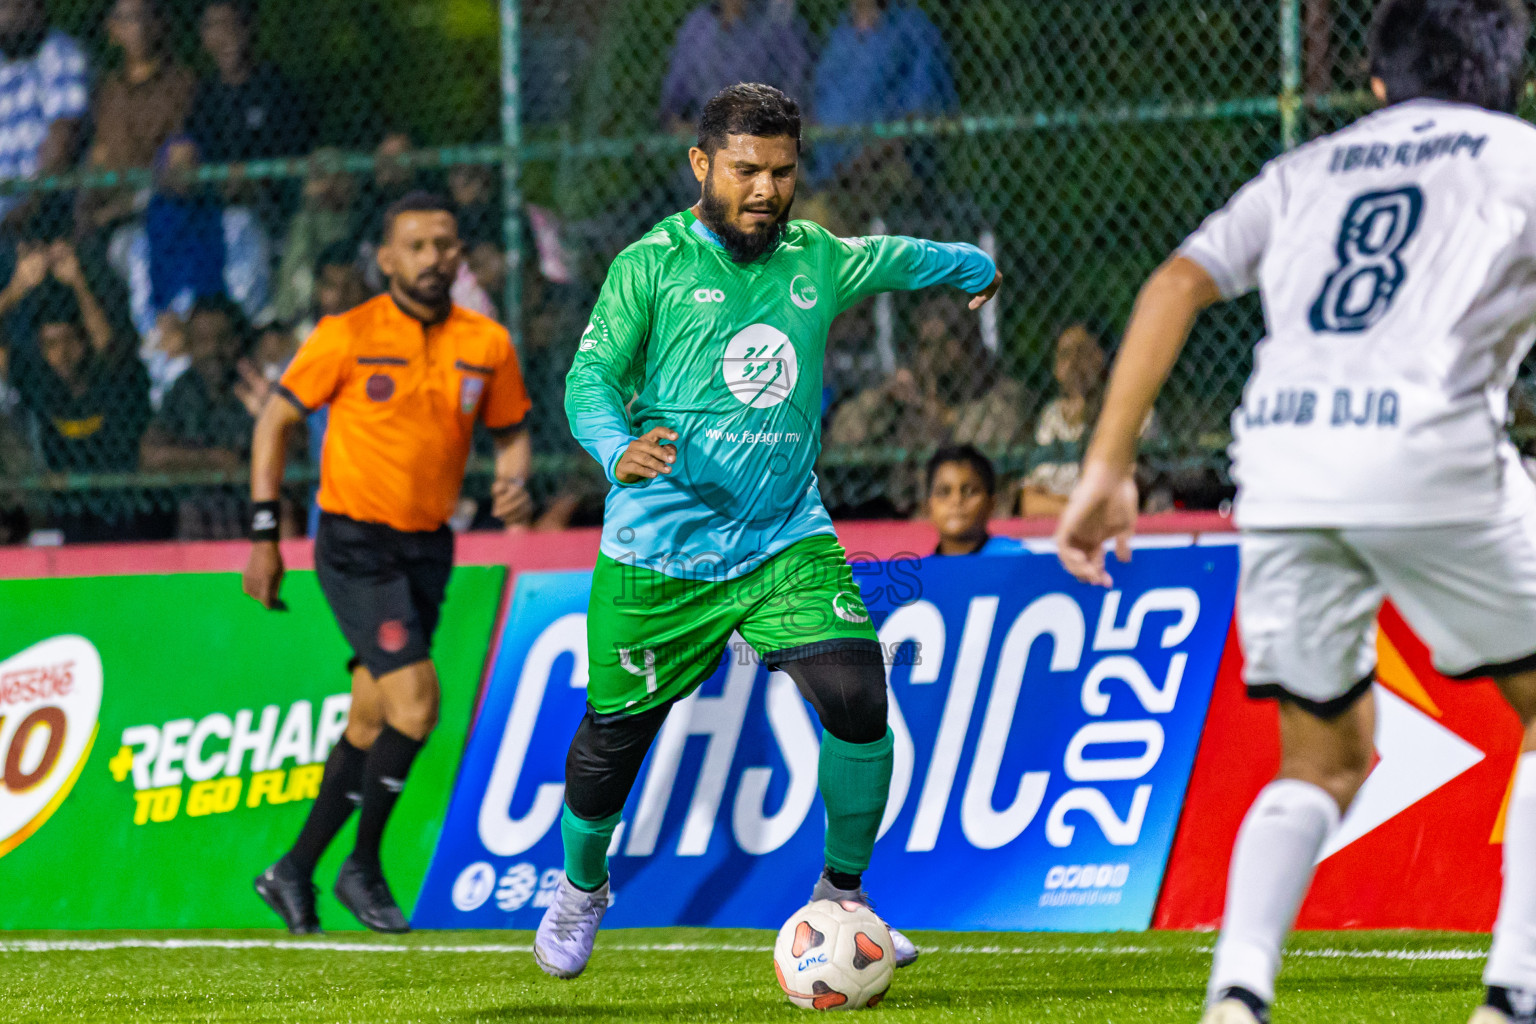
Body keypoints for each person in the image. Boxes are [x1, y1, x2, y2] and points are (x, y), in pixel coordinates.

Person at [1053, 3, 1536, 1022]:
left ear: (1373, 81)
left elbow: (1178, 281)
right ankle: (1516, 989)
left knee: (1322, 759)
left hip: (1280, 461)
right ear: (1508, 76)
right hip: (1429, 450)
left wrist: (1106, 466)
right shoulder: (1516, 156)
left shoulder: (1309, 169)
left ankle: (1237, 990)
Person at [538, 83, 1000, 980]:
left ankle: (844, 900)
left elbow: (892, 256)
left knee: (861, 703)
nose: (765, 190)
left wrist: (965, 265)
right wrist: (615, 446)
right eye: (747, 170)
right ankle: (582, 888)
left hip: (784, 541)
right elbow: (588, 379)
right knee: (610, 744)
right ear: (702, 164)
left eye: (783, 173)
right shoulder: (650, 265)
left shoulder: (814, 256)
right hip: (658, 557)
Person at [244, 191, 533, 934]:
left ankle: (291, 871)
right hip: (355, 545)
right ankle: (362, 866)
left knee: (373, 716)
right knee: (416, 705)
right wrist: (265, 533)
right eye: (418, 245)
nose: (435, 257)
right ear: (386, 258)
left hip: (428, 547)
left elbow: (511, 431)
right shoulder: (345, 333)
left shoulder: (488, 342)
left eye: (445, 243)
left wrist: (514, 480)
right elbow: (276, 421)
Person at [807, 0, 955, 194]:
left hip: (881, 172)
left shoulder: (911, 30)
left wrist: (871, 157)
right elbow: (818, 103)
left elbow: (922, 113)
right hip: (824, 175)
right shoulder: (839, 34)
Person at [79, 0, 196, 234]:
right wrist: (85, 211)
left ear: (160, 24)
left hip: (158, 211)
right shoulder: (107, 92)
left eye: (145, 17)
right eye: (128, 19)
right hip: (107, 214)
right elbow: (98, 156)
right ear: (113, 29)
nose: (138, 28)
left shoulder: (182, 83)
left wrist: (115, 211)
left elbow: (178, 159)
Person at [659, 0, 812, 131]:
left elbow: (797, 100)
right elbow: (671, 109)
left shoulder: (773, 27)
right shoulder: (698, 28)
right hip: (710, 139)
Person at [0, 0, 88, 229]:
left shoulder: (60, 53)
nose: (8, 17)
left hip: (42, 208)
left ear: (38, 9)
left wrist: (26, 208)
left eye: (19, 6)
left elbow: (62, 143)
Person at [185, 0, 307, 164]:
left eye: (232, 23)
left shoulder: (275, 87)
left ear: (249, 28)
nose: (227, 35)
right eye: (214, 26)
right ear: (204, 36)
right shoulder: (204, 95)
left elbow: (295, 153)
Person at [1020, 323, 1108, 517]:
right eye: (1066, 354)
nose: (1074, 362)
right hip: (1058, 525)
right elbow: (1030, 502)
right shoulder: (1050, 416)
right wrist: (1079, 511)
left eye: (1083, 352)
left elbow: (1118, 499)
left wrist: (1056, 502)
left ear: (1100, 357)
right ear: (1056, 368)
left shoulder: (1124, 409)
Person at [925, 444, 1022, 557]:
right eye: (944, 492)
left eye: (969, 492)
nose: (956, 501)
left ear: (991, 503)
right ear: (928, 506)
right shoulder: (921, 571)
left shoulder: (1018, 560)